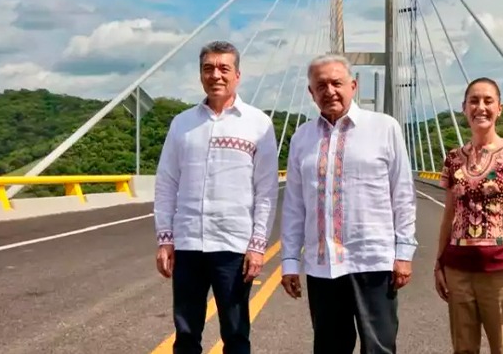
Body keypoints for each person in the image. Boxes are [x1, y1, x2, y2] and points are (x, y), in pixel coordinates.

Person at [279, 53, 417, 354]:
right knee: (329, 348)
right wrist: (289, 260)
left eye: (337, 83)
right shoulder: (301, 138)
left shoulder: (385, 128)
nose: (329, 91)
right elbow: (293, 206)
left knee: (379, 347)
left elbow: (402, 195)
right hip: (322, 266)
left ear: (353, 85)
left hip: (373, 261)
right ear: (310, 92)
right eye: (321, 85)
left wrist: (403, 253)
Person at [153, 40, 279, 354]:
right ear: (200, 75)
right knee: (186, 334)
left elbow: (265, 190)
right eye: (208, 68)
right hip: (188, 245)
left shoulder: (258, 124)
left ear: (237, 75)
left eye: (224, 68)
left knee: (236, 335)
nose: (216, 75)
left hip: (233, 246)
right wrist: (165, 239)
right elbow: (166, 182)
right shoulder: (182, 124)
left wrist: (258, 246)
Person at [434, 77, 503, 354]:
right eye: (474, 101)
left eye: (488, 101)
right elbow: (449, 215)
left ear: (500, 109)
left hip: (502, 270)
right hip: (457, 267)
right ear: (464, 109)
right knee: (463, 348)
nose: (481, 107)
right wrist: (438, 264)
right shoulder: (454, 158)